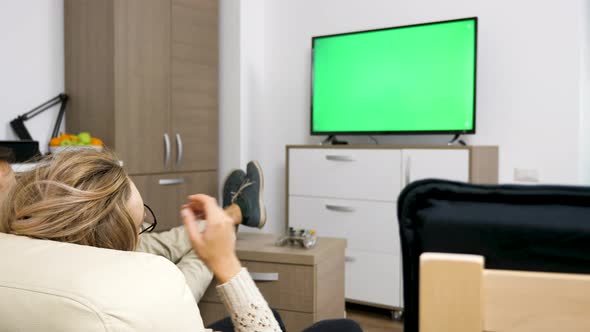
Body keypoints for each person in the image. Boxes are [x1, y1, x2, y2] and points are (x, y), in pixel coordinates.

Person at [0, 149, 361, 332]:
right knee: (341, 327)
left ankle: (234, 213)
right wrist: (226, 264)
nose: (144, 229)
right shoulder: (145, 290)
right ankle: (234, 217)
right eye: (141, 224)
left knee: (277, 314)